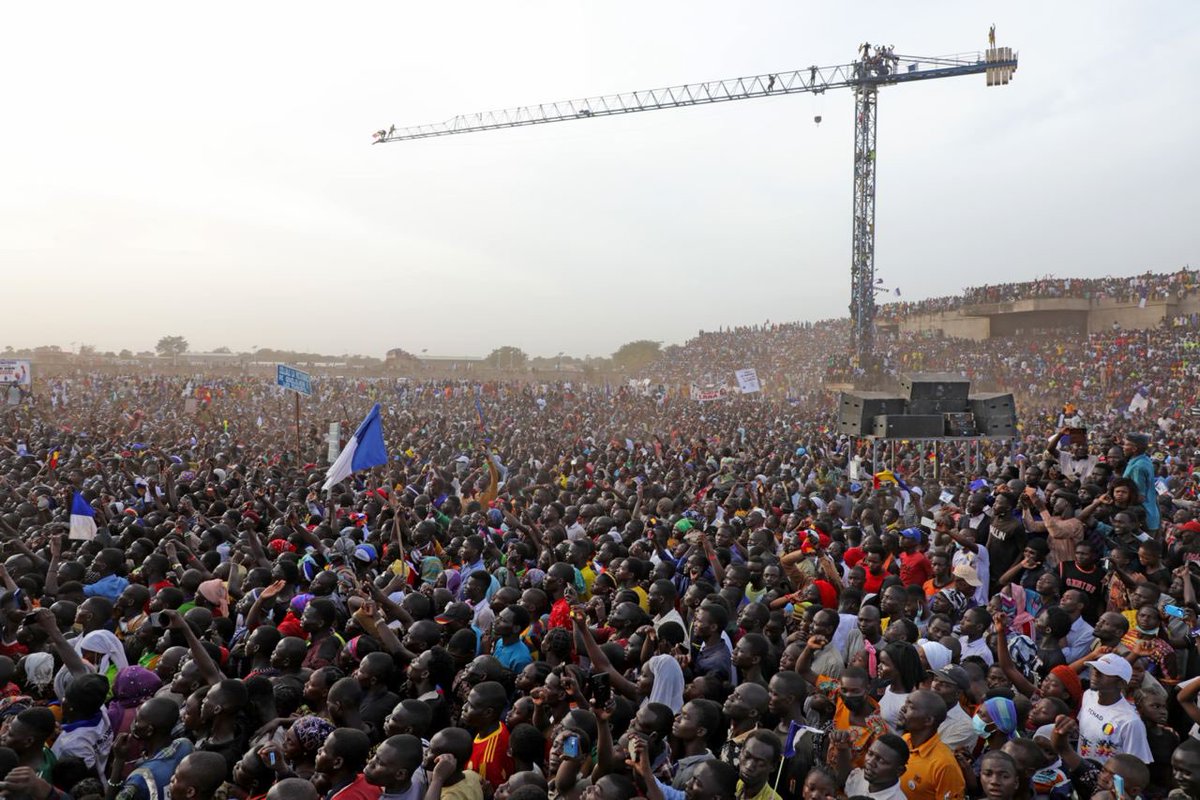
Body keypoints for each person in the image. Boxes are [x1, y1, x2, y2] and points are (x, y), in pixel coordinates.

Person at [1076, 653, 1152, 764]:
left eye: (1104, 672)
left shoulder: (1130, 722)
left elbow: (1137, 765)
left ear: (1120, 683)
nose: (1095, 674)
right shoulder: (1088, 695)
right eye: (1095, 669)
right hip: (1080, 771)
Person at [895, 690, 964, 800]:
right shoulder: (904, 740)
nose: (903, 708)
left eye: (911, 707)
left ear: (928, 720)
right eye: (905, 703)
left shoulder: (944, 764)